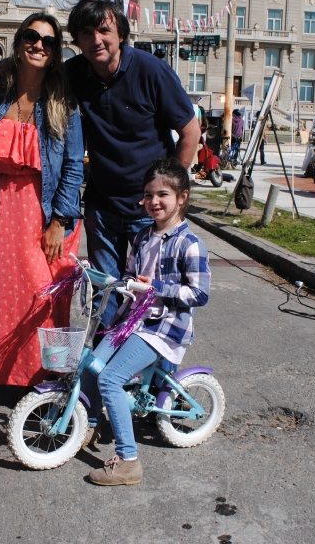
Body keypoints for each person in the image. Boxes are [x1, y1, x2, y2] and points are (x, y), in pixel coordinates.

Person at [65, 0, 200, 327]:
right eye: (86, 32)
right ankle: (107, 363)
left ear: (120, 33)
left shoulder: (150, 70)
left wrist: (170, 191)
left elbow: (190, 131)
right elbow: (34, 73)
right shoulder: (73, 73)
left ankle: (143, 367)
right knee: (106, 292)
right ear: (77, 40)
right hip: (103, 204)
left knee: (149, 293)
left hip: (149, 208)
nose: (96, 39)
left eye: (104, 30)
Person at [81, 158, 211, 486]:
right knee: (89, 362)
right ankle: (90, 423)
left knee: (110, 379)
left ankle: (128, 461)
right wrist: (119, 282)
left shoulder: (190, 244)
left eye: (162, 194)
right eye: (148, 195)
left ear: (182, 197)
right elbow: (129, 274)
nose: (154, 202)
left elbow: (199, 294)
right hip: (135, 320)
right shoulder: (142, 236)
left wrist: (157, 289)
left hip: (164, 328)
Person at [0, 13, 84, 386]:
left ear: (55, 53)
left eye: (48, 41)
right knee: (5, 301)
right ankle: (10, 378)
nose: (39, 45)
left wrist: (59, 222)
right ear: (19, 41)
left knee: (49, 299)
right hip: (0, 212)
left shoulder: (62, 101)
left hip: (43, 213)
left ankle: (57, 379)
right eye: (31, 37)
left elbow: (73, 165)